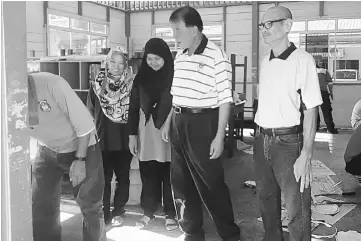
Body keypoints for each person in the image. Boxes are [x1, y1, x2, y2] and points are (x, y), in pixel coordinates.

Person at [162, 6, 240, 241]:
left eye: (177, 30)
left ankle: (229, 234)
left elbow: (225, 98)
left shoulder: (217, 55)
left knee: (211, 183)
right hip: (178, 121)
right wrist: (168, 121)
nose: (174, 36)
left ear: (194, 29)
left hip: (203, 123)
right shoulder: (181, 55)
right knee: (181, 182)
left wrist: (219, 136)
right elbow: (177, 94)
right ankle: (192, 232)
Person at [254, 6, 323, 241]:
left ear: (287, 26)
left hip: (288, 143)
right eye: (261, 25)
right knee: (266, 201)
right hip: (261, 139)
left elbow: (311, 108)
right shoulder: (265, 62)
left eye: (268, 24)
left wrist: (306, 153)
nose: (264, 29)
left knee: (297, 207)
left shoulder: (303, 60)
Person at [29, 72, 106, 241]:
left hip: (82, 147)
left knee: (90, 205)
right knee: (41, 204)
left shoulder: (53, 85)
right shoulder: (8, 96)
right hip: (47, 149)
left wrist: (80, 160)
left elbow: (85, 125)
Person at [128, 38, 178, 231]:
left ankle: (171, 213)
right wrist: (132, 134)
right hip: (146, 132)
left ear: (166, 57)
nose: (153, 63)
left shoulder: (174, 78)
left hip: (168, 132)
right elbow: (132, 108)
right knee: (148, 173)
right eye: (149, 59)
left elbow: (178, 105)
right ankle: (148, 211)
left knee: (169, 174)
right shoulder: (140, 79)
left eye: (158, 58)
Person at [87, 46, 134, 225]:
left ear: (126, 65)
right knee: (104, 179)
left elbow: (135, 111)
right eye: (112, 62)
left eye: (121, 63)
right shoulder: (97, 84)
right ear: (106, 62)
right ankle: (105, 212)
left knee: (123, 177)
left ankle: (119, 211)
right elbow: (90, 110)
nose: (116, 66)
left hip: (124, 138)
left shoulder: (131, 84)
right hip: (103, 137)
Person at [316, 64, 338, 134]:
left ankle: (315, 128)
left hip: (313, 93)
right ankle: (330, 129)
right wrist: (331, 93)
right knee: (326, 111)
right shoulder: (324, 71)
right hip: (323, 93)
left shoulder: (310, 71)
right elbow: (330, 84)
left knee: (314, 112)